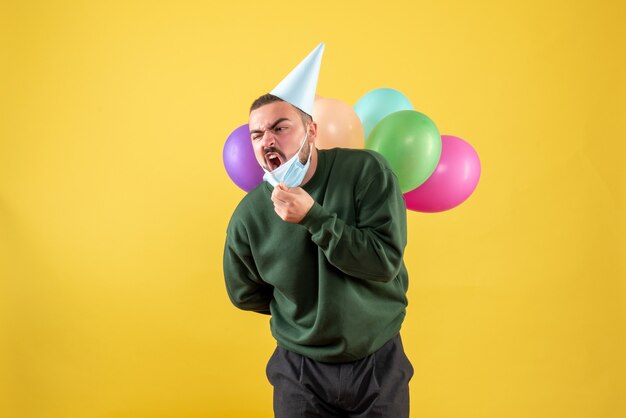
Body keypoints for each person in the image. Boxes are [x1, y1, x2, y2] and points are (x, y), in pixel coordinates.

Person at [223, 43, 413, 418]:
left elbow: (383, 262)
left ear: (311, 130)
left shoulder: (366, 172)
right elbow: (244, 293)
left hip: (378, 362)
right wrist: (306, 313)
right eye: (257, 135)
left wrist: (314, 217)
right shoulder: (249, 216)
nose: (268, 141)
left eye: (280, 127)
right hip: (300, 372)